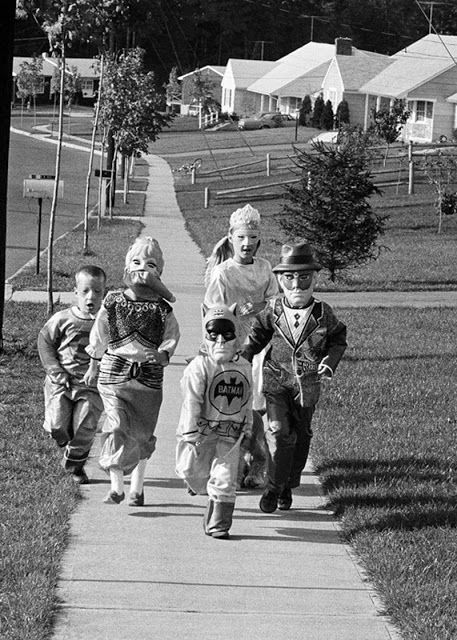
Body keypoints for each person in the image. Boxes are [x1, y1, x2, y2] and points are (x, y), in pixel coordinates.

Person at [241, 242, 347, 513]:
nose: (297, 285)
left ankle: (287, 485)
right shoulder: (273, 309)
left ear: (314, 278)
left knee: (300, 439)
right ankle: (273, 489)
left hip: (307, 386)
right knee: (279, 432)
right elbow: (257, 336)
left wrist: (329, 363)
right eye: (290, 278)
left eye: (304, 277)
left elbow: (338, 340)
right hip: (277, 381)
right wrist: (241, 356)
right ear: (280, 279)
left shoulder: (324, 314)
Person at [86, 237, 180, 506]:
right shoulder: (113, 301)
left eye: (150, 265)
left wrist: (163, 354)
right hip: (115, 376)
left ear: (158, 273)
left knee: (141, 435)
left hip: (148, 381)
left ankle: (137, 488)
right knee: (115, 427)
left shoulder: (163, 310)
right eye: (136, 263)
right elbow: (100, 333)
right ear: (127, 267)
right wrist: (94, 362)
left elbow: (172, 336)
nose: (142, 269)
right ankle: (116, 487)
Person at [204, 203, 278, 487]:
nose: (247, 243)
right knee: (230, 406)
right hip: (232, 345)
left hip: (261, 345)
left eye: (253, 237)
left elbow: (275, 301)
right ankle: (230, 462)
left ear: (259, 239)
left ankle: (257, 459)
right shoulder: (223, 273)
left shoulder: (264, 268)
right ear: (231, 237)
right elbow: (213, 313)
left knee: (255, 405)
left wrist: (259, 305)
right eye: (241, 237)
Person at [176, 304, 253, 539]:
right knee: (191, 471)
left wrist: (248, 424)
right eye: (213, 334)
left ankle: (219, 523)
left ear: (236, 335)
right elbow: (192, 401)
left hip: (230, 432)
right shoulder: (199, 367)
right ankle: (201, 488)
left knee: (225, 479)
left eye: (227, 334)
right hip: (201, 432)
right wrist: (190, 432)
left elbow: (247, 398)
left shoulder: (244, 366)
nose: (220, 340)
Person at [38, 265, 106, 484]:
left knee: (85, 426)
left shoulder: (106, 323)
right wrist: (54, 370)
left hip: (91, 385)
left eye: (97, 292)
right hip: (62, 382)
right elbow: (45, 342)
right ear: (75, 292)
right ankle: (66, 445)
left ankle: (76, 466)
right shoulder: (63, 318)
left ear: (104, 294)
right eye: (85, 291)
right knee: (58, 425)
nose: (91, 297)